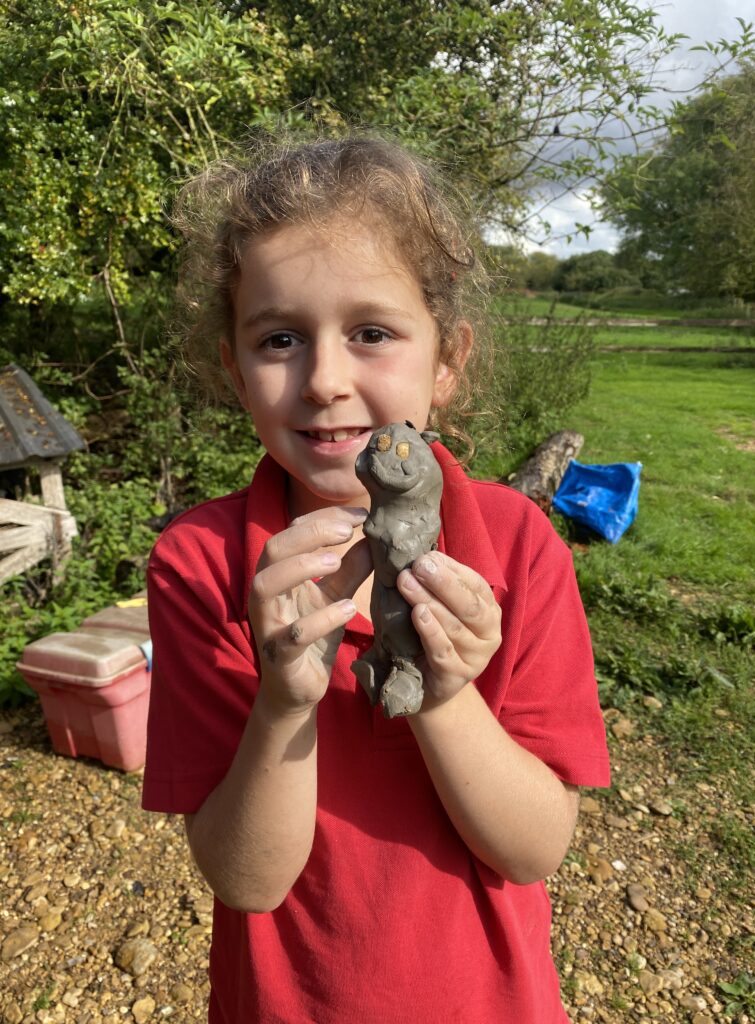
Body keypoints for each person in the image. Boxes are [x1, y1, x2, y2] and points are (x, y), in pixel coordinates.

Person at [141, 133, 610, 1024]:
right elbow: (245, 880)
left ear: (447, 362)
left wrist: (443, 689)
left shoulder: (518, 548)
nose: (323, 380)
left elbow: (534, 848)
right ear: (236, 370)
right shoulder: (201, 565)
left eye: (371, 333)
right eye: (280, 338)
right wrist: (283, 699)